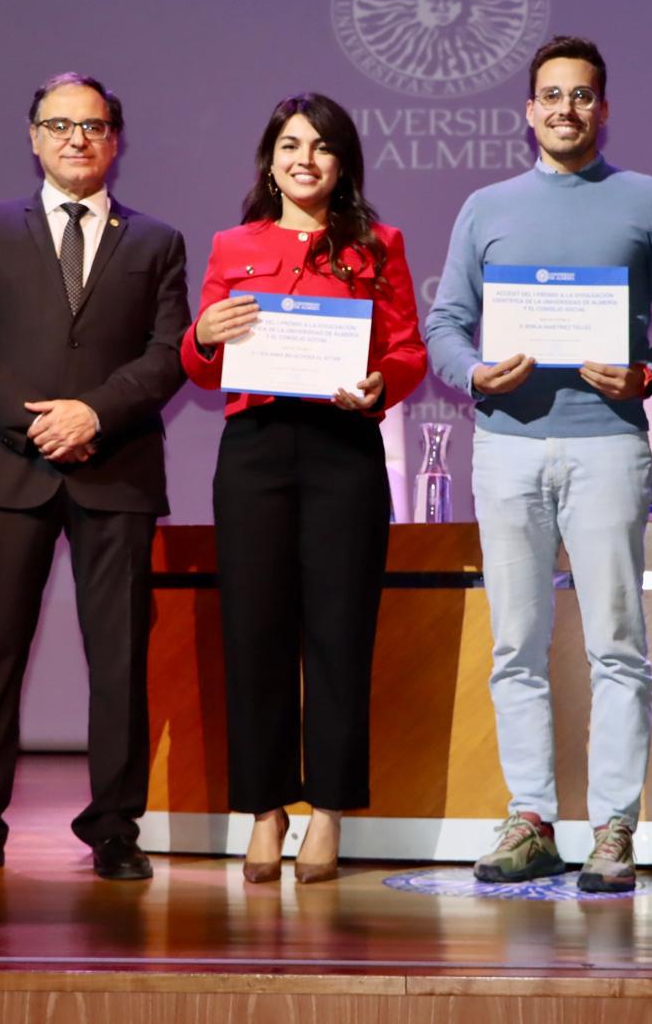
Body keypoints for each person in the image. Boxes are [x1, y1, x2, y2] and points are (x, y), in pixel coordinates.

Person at [0, 72, 190, 880]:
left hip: (116, 468)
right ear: (33, 137)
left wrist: (93, 413)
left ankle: (114, 830)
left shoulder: (158, 241)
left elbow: (169, 352)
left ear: (115, 140)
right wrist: (37, 423)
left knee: (119, 658)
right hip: (8, 466)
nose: (76, 139)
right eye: (59, 125)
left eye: (92, 126)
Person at [424, 36, 652, 893]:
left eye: (581, 95)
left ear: (603, 109)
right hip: (506, 445)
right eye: (551, 95)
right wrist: (474, 373)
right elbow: (444, 322)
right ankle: (531, 819)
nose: (565, 109)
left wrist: (648, 374)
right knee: (515, 645)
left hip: (609, 442)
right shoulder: (486, 207)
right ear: (529, 111)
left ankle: (614, 827)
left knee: (618, 642)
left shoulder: (651, 201)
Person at [181, 93, 426, 884]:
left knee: (338, 632)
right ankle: (264, 811)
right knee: (253, 632)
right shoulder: (233, 244)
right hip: (254, 451)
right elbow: (201, 364)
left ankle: (328, 812)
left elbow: (407, 350)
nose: (305, 159)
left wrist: (380, 383)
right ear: (270, 160)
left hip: (343, 448)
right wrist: (201, 336)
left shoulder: (378, 245)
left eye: (321, 146)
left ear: (342, 162)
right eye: (290, 145)